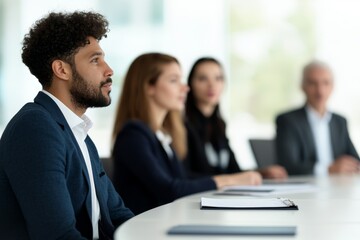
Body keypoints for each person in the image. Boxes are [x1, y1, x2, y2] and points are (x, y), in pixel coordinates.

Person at [0, 11, 134, 239]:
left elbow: (118, 214)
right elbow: (57, 235)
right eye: (95, 60)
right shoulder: (35, 127)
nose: (109, 70)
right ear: (62, 70)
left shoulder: (78, 132)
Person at [112, 53, 262, 215]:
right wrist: (230, 180)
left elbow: (183, 179)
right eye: (174, 80)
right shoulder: (133, 135)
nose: (185, 88)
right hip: (145, 229)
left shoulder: (162, 135)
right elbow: (169, 189)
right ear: (149, 87)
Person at [184, 57, 288, 180]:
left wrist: (261, 173)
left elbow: (232, 170)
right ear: (190, 84)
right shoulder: (183, 125)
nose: (212, 85)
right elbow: (186, 176)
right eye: (203, 78)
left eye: (218, 78)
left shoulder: (219, 124)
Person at [275, 60, 360, 175]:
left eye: (326, 83)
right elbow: (288, 165)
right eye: (313, 83)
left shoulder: (340, 121)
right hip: (306, 186)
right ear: (302, 86)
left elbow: (354, 161)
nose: (320, 91)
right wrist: (328, 169)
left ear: (332, 87)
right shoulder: (288, 121)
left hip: (340, 185)